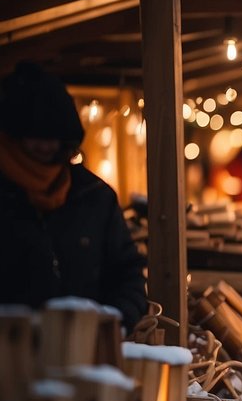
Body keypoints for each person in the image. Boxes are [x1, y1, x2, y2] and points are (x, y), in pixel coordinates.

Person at [0, 62, 146, 326]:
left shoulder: (95, 197)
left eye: (53, 137)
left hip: (87, 356)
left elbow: (128, 273)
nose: (45, 146)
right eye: (34, 136)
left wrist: (116, 319)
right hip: (11, 355)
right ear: (13, 137)